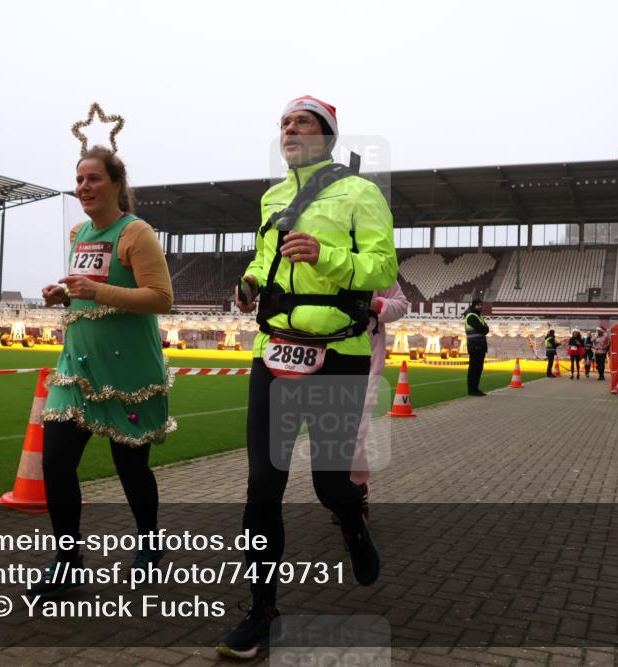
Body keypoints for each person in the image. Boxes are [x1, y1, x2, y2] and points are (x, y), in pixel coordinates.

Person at [219, 95, 398, 659]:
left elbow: (383, 268)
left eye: (300, 121)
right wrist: (248, 284)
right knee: (262, 487)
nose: (288, 129)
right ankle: (262, 610)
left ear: (327, 135)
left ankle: (352, 521)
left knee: (329, 483)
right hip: (272, 351)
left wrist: (326, 257)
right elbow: (262, 261)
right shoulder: (272, 196)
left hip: (338, 352)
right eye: (283, 123)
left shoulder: (361, 192)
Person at [31, 145, 174, 599]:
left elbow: (160, 298)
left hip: (127, 370)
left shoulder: (137, 233)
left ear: (116, 184)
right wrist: (65, 294)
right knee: (55, 462)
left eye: (93, 179)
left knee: (130, 466)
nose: (83, 188)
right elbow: (85, 293)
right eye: (78, 180)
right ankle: (68, 559)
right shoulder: (78, 233)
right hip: (76, 367)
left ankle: (150, 542)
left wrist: (96, 290)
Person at [330, 281, 410, 524]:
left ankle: (356, 488)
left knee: (354, 433)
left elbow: (400, 304)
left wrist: (374, 304)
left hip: (366, 365)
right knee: (329, 433)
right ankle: (339, 489)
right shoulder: (318, 262)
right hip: (324, 362)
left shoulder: (375, 268)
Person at [463, 298, 489, 396]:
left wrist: (485, 329)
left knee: (478, 368)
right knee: (474, 368)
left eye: (481, 305)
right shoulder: (471, 316)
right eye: (478, 305)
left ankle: (475, 389)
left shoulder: (478, 316)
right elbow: (482, 329)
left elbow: (486, 329)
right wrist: (484, 329)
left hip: (480, 345)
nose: (480, 307)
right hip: (475, 345)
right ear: (474, 305)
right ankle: (472, 390)